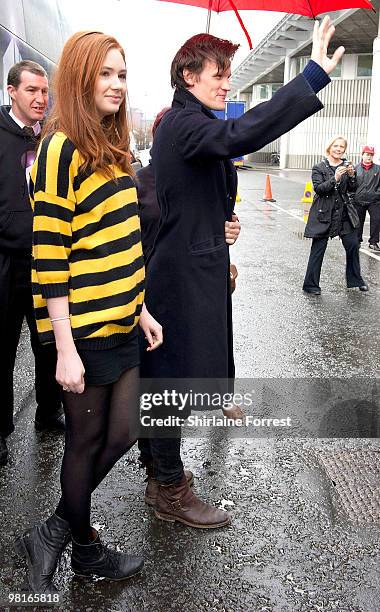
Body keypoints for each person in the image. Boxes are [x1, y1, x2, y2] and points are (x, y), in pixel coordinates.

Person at [142, 17, 345, 529]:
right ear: (189, 75)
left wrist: (222, 223)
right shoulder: (183, 124)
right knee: (172, 382)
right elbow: (242, 132)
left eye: (230, 73)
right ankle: (167, 485)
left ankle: (158, 468)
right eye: (219, 73)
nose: (227, 82)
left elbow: (208, 177)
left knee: (180, 378)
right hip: (181, 276)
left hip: (198, 267)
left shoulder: (192, 123)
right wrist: (312, 76)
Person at [15, 31, 162, 593]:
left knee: (123, 433)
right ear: (79, 77)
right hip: (84, 330)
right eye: (105, 73)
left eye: (122, 74)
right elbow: (49, 254)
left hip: (123, 321)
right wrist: (65, 348)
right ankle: (85, 549)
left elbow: (123, 240)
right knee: (82, 444)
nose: (117, 85)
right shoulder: (59, 149)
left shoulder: (114, 146)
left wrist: (142, 307)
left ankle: (55, 530)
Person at [136, 107, 241, 507]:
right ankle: (165, 479)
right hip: (151, 302)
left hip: (181, 297)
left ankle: (161, 470)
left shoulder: (198, 181)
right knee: (164, 394)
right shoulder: (142, 184)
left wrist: (226, 233)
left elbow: (212, 226)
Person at [0, 61, 65, 466]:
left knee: (49, 346)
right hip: (6, 263)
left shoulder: (51, 140)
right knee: (2, 350)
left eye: (44, 91)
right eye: (32, 91)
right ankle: (1, 431)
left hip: (45, 265)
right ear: (12, 92)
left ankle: (48, 412)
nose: (41, 99)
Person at [303, 136, 368, 294]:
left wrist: (352, 176)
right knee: (318, 249)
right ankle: (311, 285)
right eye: (336, 146)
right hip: (324, 212)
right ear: (329, 147)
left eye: (342, 147)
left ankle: (355, 280)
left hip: (343, 212)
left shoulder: (346, 166)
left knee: (353, 245)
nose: (338, 149)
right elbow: (319, 189)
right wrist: (336, 178)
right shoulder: (319, 167)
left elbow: (352, 189)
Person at [353, 145, 380, 253]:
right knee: (358, 221)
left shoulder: (378, 169)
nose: (369, 157)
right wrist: (353, 196)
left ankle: (373, 242)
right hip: (358, 200)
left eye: (371, 155)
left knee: (377, 220)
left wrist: (377, 194)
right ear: (362, 155)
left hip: (374, 200)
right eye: (367, 154)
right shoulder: (355, 168)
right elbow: (351, 184)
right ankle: (357, 240)